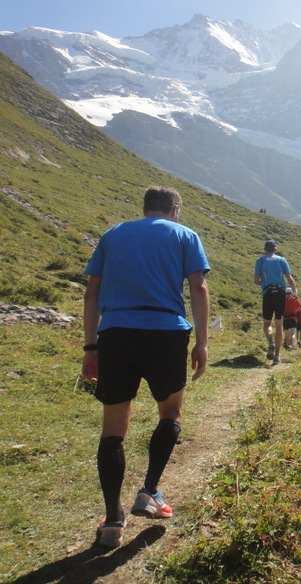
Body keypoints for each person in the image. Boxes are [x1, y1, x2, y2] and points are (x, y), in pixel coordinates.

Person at [82, 185, 210, 549]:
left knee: (113, 428)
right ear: (175, 209)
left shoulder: (114, 234)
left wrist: (91, 346)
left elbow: (92, 292)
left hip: (115, 334)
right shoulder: (185, 235)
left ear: (145, 208)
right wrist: (201, 343)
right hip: (165, 333)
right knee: (170, 413)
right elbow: (198, 288)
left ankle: (112, 520)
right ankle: (150, 492)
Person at [254, 239, 297, 365]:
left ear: (265, 250)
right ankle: (277, 356)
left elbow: (256, 281)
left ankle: (270, 342)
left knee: (267, 323)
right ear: (275, 250)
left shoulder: (260, 260)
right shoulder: (282, 260)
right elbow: (289, 278)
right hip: (280, 294)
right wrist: (294, 292)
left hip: (267, 293)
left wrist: (265, 284)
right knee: (279, 325)